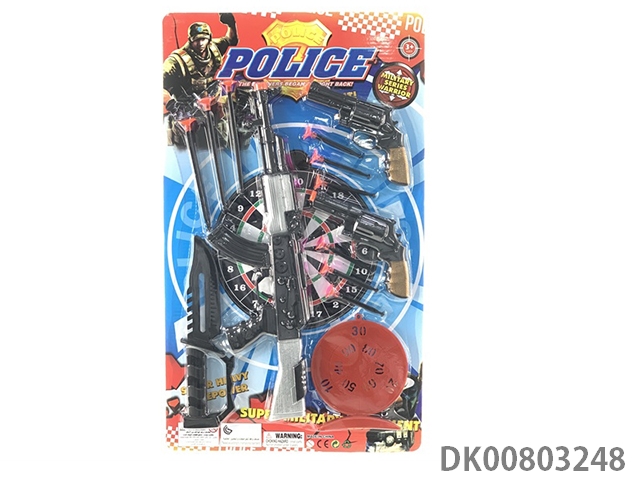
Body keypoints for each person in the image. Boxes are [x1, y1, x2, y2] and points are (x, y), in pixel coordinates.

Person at [163, 14, 238, 99]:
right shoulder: (176, 60)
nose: (200, 43)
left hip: (214, 98)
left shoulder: (214, 48)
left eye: (203, 39)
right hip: (189, 104)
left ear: (209, 39)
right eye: (197, 40)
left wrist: (231, 24)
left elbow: (231, 40)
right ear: (190, 40)